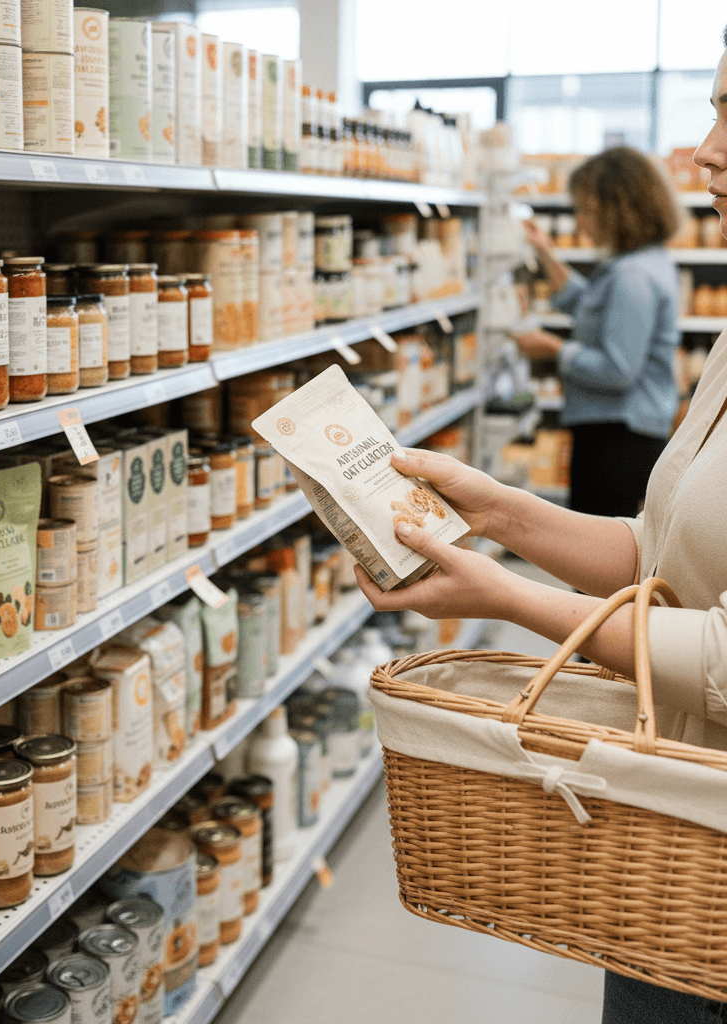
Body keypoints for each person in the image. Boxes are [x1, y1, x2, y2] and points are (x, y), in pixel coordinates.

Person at [355, 32, 727, 1024]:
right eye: (714, 105)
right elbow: (662, 548)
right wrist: (498, 510)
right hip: (673, 816)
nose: (702, 150)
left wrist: (505, 598)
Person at [517, 147, 682, 517]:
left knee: (600, 562)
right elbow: (591, 306)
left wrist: (554, 349)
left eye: (586, 210)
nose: (581, 221)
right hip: (623, 430)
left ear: (617, 209)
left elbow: (618, 370)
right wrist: (546, 253)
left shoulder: (632, 276)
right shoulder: (640, 262)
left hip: (619, 437)